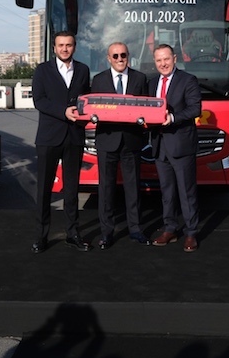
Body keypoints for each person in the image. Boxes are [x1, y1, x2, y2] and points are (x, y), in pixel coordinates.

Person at [30, 31, 91, 253]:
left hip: (74, 137)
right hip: (49, 137)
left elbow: (86, 99)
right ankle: (41, 236)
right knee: (44, 190)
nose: (65, 49)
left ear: (74, 47)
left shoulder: (83, 70)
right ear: (54, 48)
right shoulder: (42, 70)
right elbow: (39, 100)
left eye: (69, 45)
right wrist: (63, 111)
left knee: (72, 190)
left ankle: (72, 234)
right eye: (61, 45)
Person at [90, 42, 151, 249]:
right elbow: (93, 108)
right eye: (115, 56)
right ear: (108, 58)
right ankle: (106, 232)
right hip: (107, 140)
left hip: (131, 140)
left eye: (123, 55)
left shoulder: (140, 78)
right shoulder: (98, 80)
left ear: (128, 56)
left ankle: (135, 229)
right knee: (106, 188)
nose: (119, 59)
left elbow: (146, 109)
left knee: (133, 188)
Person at [148, 44, 202, 252]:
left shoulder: (188, 80)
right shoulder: (152, 83)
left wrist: (172, 118)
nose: (163, 63)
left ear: (175, 58)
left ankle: (191, 233)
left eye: (166, 59)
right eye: (159, 60)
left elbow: (195, 108)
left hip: (181, 145)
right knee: (167, 191)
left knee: (186, 191)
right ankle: (170, 229)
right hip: (159, 145)